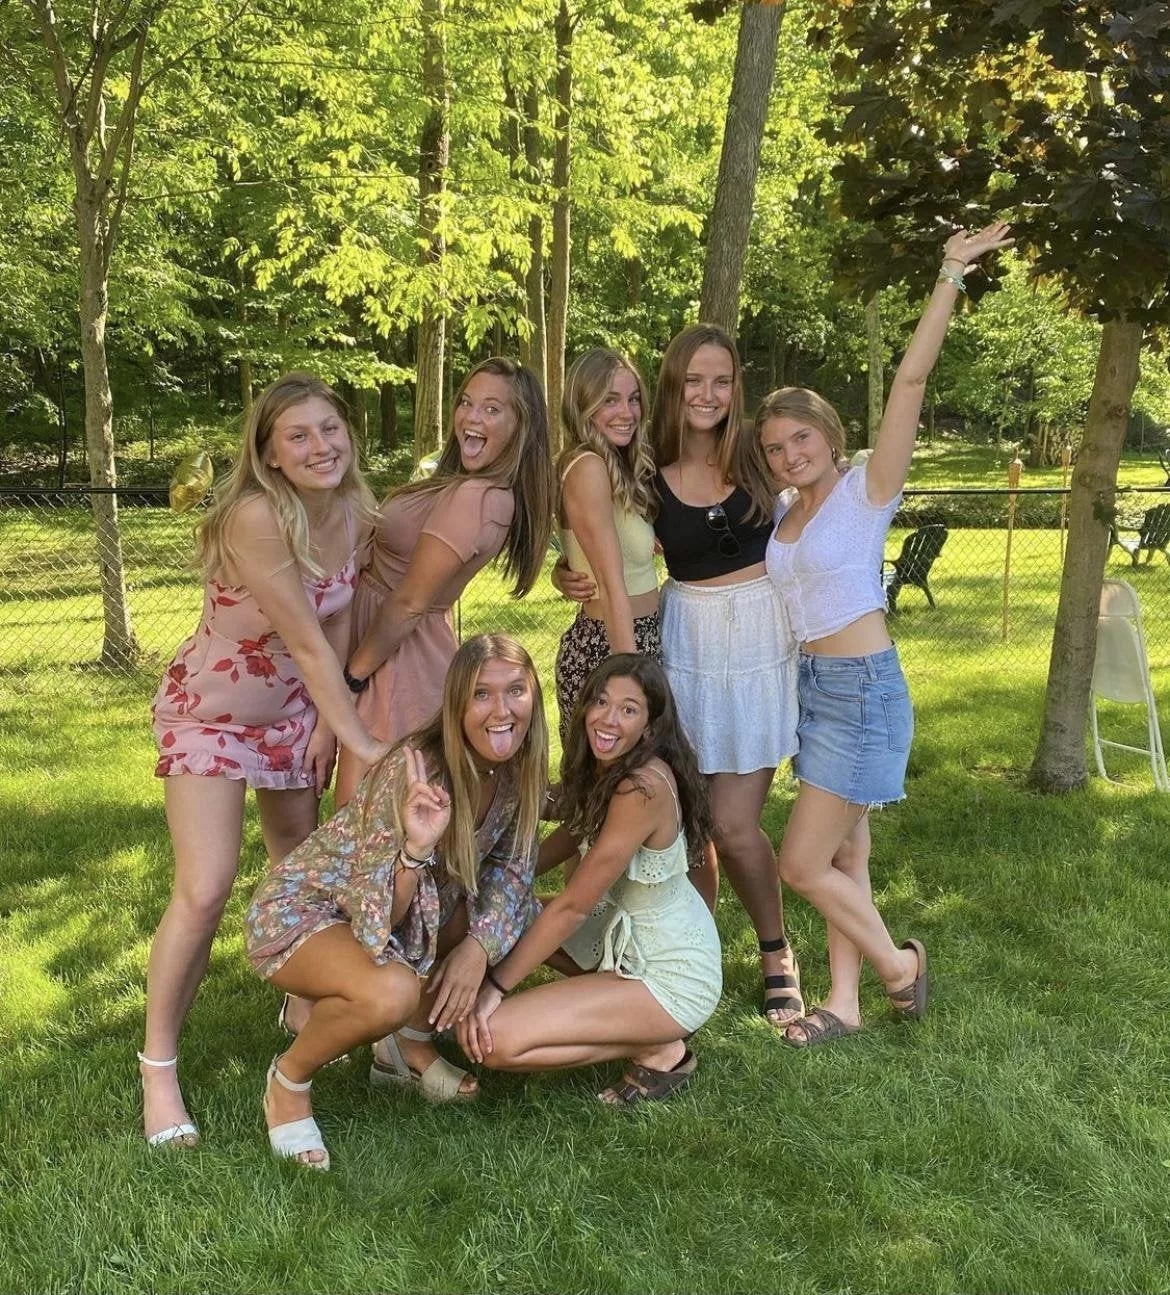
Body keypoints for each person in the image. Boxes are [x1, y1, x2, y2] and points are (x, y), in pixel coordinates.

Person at [759, 221, 1012, 1046]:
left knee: (802, 863)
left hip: (863, 691)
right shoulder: (783, 511)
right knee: (846, 858)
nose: (790, 454)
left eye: (802, 437)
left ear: (830, 435)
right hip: (814, 690)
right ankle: (845, 1002)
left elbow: (909, 381)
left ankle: (900, 966)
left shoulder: (867, 490)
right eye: (775, 447)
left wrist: (950, 271)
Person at [142, 373, 390, 1149]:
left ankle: (301, 1002)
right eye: (298, 436)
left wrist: (323, 721)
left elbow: (338, 618)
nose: (321, 446)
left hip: (293, 714)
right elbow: (305, 639)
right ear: (271, 454)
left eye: (330, 429)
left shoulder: (354, 510)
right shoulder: (255, 516)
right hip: (209, 714)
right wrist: (363, 740)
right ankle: (158, 1068)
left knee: (299, 875)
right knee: (206, 886)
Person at [555, 325, 800, 1029]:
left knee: (733, 821)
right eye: (693, 380)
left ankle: (777, 951)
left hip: (756, 649)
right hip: (681, 645)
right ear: (674, 386)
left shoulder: (758, 451)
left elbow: (820, 493)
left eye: (721, 380)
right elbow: (604, 544)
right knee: (685, 818)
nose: (707, 394)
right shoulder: (648, 463)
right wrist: (567, 569)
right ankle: (688, 956)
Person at [244, 633, 548, 1169]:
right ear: (456, 705)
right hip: (308, 912)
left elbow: (513, 872)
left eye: (516, 691)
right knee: (391, 992)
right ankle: (288, 1082)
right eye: (481, 694)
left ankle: (404, 1048)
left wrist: (477, 949)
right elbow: (376, 922)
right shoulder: (415, 774)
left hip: (395, 919)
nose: (502, 711)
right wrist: (416, 850)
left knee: (491, 911)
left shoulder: (517, 768)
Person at [458, 654, 720, 1104]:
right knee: (509, 913)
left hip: (669, 976)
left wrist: (495, 986)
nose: (608, 719)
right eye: (601, 701)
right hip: (623, 942)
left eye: (628, 709)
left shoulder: (641, 788)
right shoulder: (610, 770)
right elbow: (566, 839)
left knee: (493, 1039)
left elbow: (573, 907)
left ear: (651, 726)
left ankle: (657, 1047)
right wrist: (486, 881)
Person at [335, 358, 554, 808]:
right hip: (385, 643)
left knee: (363, 817)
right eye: (466, 403)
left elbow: (410, 603)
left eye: (492, 409)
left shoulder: (479, 498)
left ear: (521, 425)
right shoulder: (466, 485)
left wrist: (352, 678)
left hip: (396, 658)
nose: (471, 417)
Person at [553, 349, 660, 742]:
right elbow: (613, 585)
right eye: (610, 400)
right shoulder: (588, 467)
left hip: (636, 638)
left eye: (633, 399)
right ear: (583, 406)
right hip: (611, 647)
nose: (627, 412)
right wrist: (629, 685)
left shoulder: (616, 465)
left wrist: (560, 572)